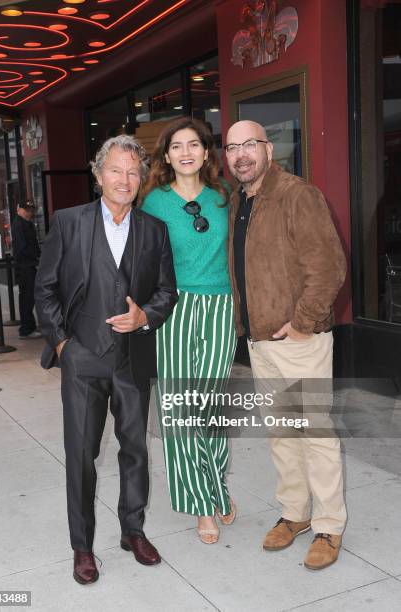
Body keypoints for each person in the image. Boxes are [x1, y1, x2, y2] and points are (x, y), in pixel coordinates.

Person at [35, 135, 177, 585]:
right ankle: (82, 545)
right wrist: (62, 345)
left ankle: (132, 531)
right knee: (81, 454)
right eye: (116, 170)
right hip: (83, 359)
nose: (125, 179)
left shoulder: (154, 230)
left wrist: (145, 316)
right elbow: (45, 289)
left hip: (133, 360)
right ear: (98, 176)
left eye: (134, 172)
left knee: (135, 449)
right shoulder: (69, 222)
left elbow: (166, 292)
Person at [225, 120, 347, 570]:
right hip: (260, 342)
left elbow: (329, 267)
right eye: (232, 147)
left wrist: (302, 323)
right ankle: (295, 513)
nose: (241, 154)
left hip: (300, 340)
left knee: (315, 433)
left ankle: (329, 525)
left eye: (249, 145)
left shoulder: (298, 195)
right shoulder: (240, 201)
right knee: (282, 434)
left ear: (268, 149)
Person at [140, 118, 237, 545]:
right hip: (175, 308)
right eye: (176, 146)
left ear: (205, 152)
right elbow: (139, 260)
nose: (185, 152)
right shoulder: (153, 203)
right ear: (165, 156)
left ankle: (216, 484)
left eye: (193, 144)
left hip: (219, 306)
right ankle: (201, 503)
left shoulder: (224, 197)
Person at [11, 200, 42, 339]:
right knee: (27, 298)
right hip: (25, 266)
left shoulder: (25, 223)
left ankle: (29, 326)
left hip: (29, 265)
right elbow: (23, 247)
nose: (31, 213)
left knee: (29, 297)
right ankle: (26, 329)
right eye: (28, 210)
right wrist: (36, 259)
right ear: (21, 209)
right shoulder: (19, 224)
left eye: (32, 210)